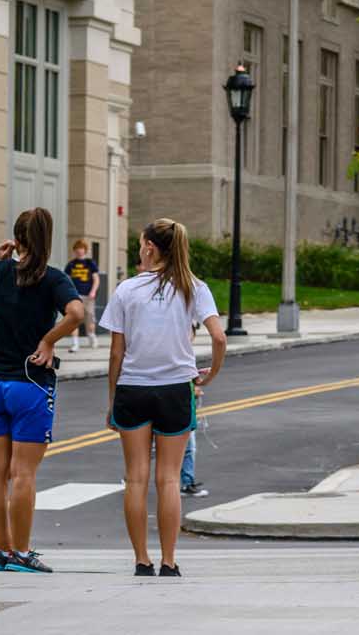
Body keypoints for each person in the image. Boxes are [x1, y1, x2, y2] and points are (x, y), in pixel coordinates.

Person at [102, 218, 225, 577]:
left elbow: (115, 354)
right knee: (169, 479)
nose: (140, 249)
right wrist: (211, 373)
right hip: (175, 389)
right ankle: (169, 561)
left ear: (150, 248)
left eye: (141, 244)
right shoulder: (194, 288)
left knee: (136, 478)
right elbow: (219, 337)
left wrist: (112, 400)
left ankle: (142, 560)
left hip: (133, 389)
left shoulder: (126, 290)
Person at [0, 208, 83, 574]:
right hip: (30, 383)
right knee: (23, 474)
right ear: (47, 239)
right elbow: (76, 314)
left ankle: (1, 551)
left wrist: (2, 262)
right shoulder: (53, 279)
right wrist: (49, 340)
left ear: (16, 238)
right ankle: (21, 552)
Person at [63, 238, 99, 349]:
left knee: (90, 318)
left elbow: (96, 279)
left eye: (81, 248)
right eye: (77, 248)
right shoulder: (71, 264)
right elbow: (66, 279)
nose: (79, 251)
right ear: (74, 250)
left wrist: (93, 291)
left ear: (85, 250)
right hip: (74, 296)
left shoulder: (90, 263)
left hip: (88, 295)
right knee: (74, 318)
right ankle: (75, 343)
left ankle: (92, 337)